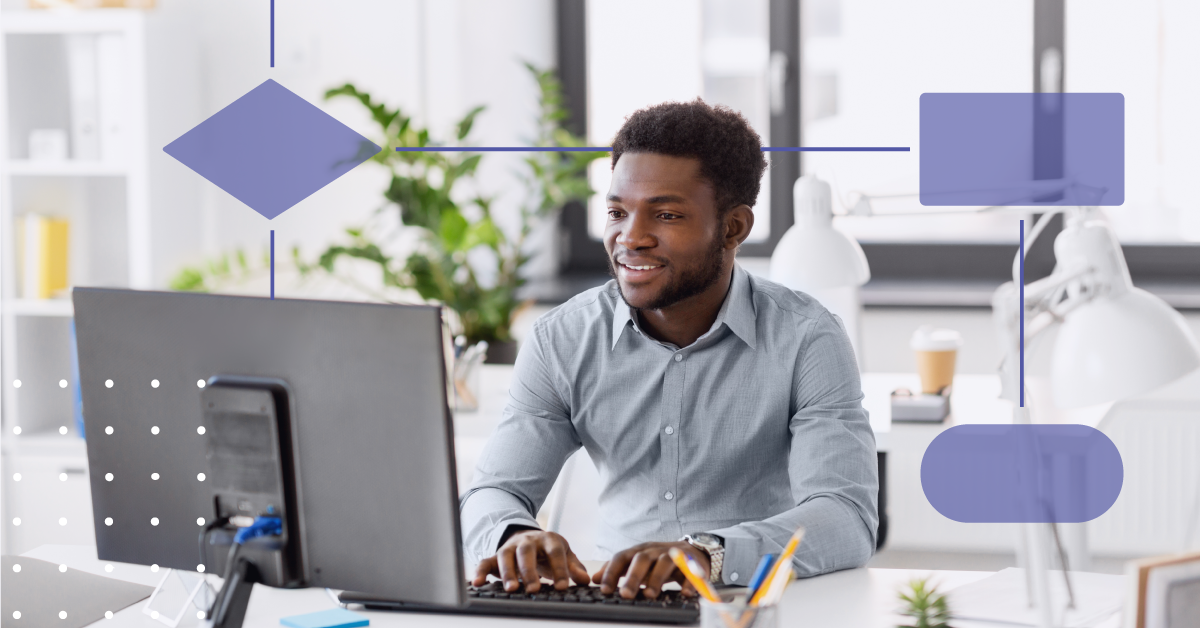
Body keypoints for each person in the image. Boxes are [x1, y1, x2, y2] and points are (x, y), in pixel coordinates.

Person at [460, 99, 878, 601]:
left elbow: (845, 516)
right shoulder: (563, 339)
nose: (630, 238)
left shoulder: (807, 338)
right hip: (612, 605)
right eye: (617, 212)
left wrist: (707, 554)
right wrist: (513, 535)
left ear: (733, 228)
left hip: (753, 605)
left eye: (665, 214)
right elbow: (492, 491)